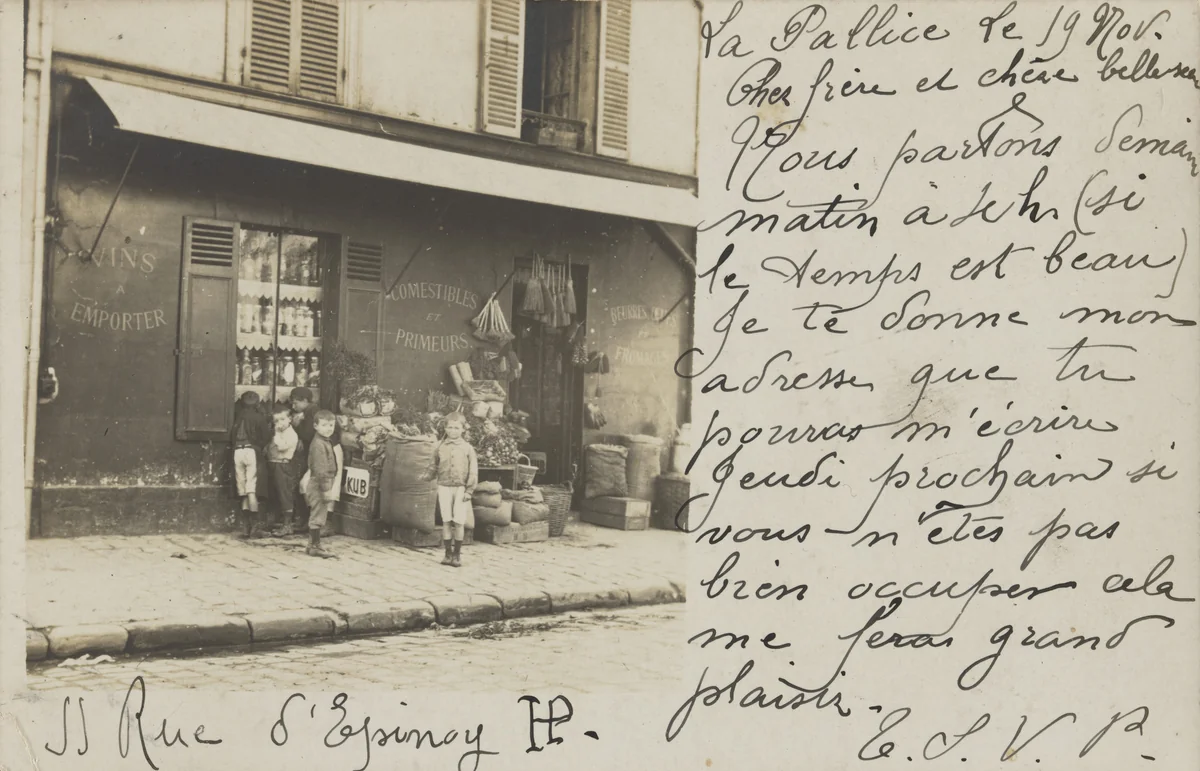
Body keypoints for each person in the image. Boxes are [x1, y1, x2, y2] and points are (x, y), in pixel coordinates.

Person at [424, 411, 477, 568]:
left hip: (460, 488)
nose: (453, 431)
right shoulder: (440, 447)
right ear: (445, 429)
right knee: (447, 520)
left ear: (463, 429)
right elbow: (433, 464)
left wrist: (469, 491)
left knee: (459, 522)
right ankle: (447, 554)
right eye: (450, 427)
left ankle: (457, 555)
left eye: (456, 428)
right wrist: (426, 476)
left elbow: (473, 470)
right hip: (444, 486)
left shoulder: (468, 448)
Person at [231, 391, 271, 537]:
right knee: (252, 489)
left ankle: (245, 526)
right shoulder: (259, 417)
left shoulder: (238, 416)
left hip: (237, 452)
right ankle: (256, 527)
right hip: (251, 451)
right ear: (257, 404)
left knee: (242, 490)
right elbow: (266, 437)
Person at [303, 409, 340, 558]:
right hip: (319, 483)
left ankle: (312, 544)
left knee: (319, 512)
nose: (329, 428)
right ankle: (315, 546)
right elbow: (320, 469)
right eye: (324, 425)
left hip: (323, 482)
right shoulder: (319, 444)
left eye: (331, 425)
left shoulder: (324, 441)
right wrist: (325, 489)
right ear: (316, 426)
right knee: (318, 514)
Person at [266, 406, 300, 537]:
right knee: (276, 493)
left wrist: (276, 433)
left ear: (290, 419)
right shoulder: (278, 432)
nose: (279, 423)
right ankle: (279, 521)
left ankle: (288, 524)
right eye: (276, 421)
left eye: (282, 419)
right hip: (273, 464)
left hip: (283, 465)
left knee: (284, 493)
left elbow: (281, 446)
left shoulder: (291, 434)